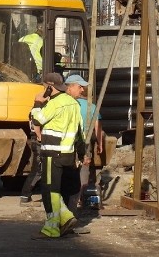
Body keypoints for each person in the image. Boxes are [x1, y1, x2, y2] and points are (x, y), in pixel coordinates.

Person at [29, 72, 82, 239]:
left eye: (45, 87)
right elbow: (80, 132)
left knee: (50, 191)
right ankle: (66, 216)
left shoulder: (56, 103)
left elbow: (37, 119)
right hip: (67, 153)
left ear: (50, 87)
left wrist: (37, 103)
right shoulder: (73, 103)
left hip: (53, 152)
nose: (44, 89)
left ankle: (51, 229)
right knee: (54, 189)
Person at [64, 73, 103, 213]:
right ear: (71, 87)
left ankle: (71, 201)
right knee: (84, 170)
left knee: (71, 172)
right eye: (80, 87)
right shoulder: (89, 106)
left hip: (70, 145)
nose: (82, 90)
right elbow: (97, 126)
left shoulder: (66, 103)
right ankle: (80, 197)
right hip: (79, 143)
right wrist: (100, 143)